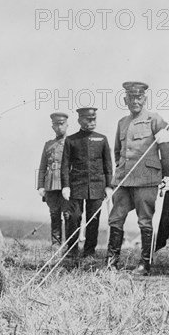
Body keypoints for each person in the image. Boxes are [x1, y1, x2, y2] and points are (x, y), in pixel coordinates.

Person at [106, 82, 169, 275]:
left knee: (144, 221)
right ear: (125, 99)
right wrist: (119, 172)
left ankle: (145, 264)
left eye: (139, 97)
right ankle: (112, 262)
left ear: (144, 99)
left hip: (146, 179)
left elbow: (168, 148)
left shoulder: (155, 119)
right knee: (115, 219)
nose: (135, 101)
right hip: (124, 180)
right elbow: (118, 152)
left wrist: (166, 175)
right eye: (131, 97)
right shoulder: (122, 123)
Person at [61, 108, 113, 260]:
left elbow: (108, 165)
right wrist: (65, 186)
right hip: (76, 185)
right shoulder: (71, 140)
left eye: (94, 120)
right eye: (88, 120)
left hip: (97, 186)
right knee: (74, 217)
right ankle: (71, 250)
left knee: (93, 219)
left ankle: (89, 251)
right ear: (80, 121)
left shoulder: (102, 139)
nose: (92, 123)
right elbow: (65, 165)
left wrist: (109, 185)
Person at [37, 112, 69, 248]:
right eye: (56, 124)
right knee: (54, 214)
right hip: (50, 184)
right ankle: (56, 245)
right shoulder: (48, 144)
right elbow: (42, 166)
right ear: (52, 127)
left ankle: (69, 245)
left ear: (67, 125)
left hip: (66, 185)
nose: (59, 127)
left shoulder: (71, 143)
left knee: (68, 215)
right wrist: (40, 186)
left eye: (62, 124)